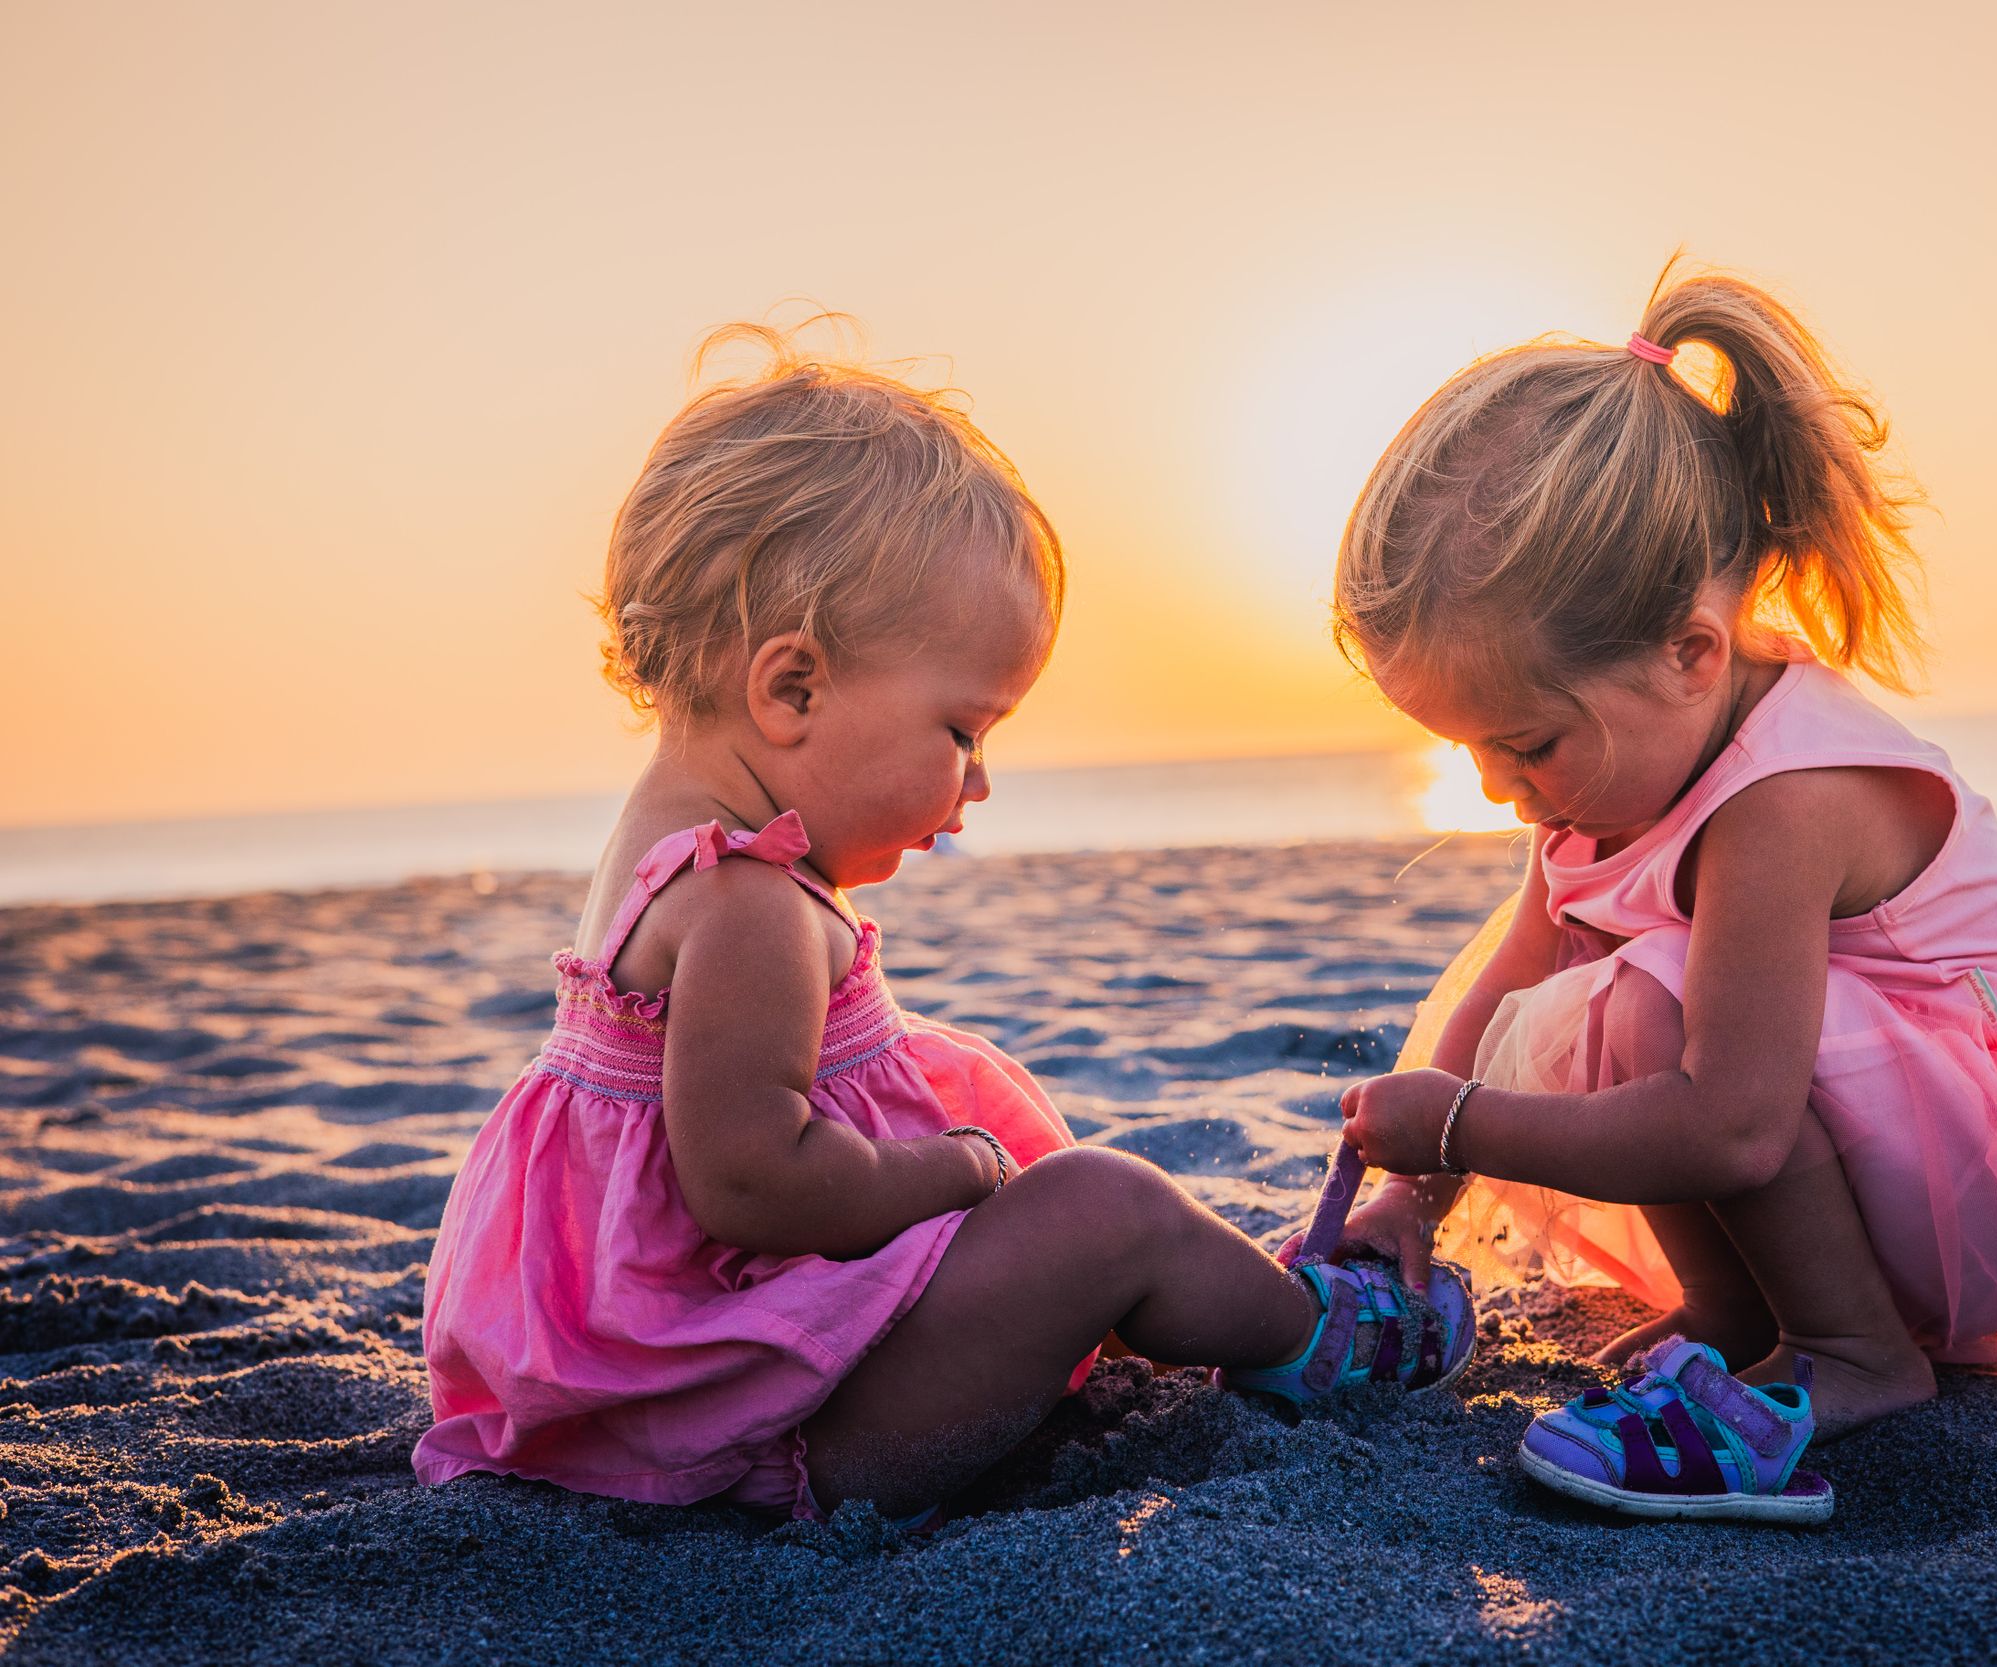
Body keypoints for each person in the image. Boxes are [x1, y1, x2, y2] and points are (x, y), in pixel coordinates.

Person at [414, 322, 1472, 1525]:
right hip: (785, 1428)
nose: (976, 782)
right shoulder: (749, 904)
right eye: (963, 731)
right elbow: (755, 1184)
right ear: (792, 688)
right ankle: (1322, 1339)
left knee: (1069, 1211)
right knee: (1105, 1209)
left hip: (706, 1390)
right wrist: (953, 1166)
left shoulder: (659, 853)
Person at [1318, 263, 1997, 1515]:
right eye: (1468, 751)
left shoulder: (1783, 799)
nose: (1498, 786)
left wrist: (1459, 1125)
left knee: (1651, 1000)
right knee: (1608, 992)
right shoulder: (1621, 768)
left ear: (1690, 653)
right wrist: (1408, 1198)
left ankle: (1853, 1352)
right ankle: (1740, 1311)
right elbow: (1508, 987)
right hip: (1876, 1139)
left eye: (1526, 742)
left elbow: (1731, 1127)